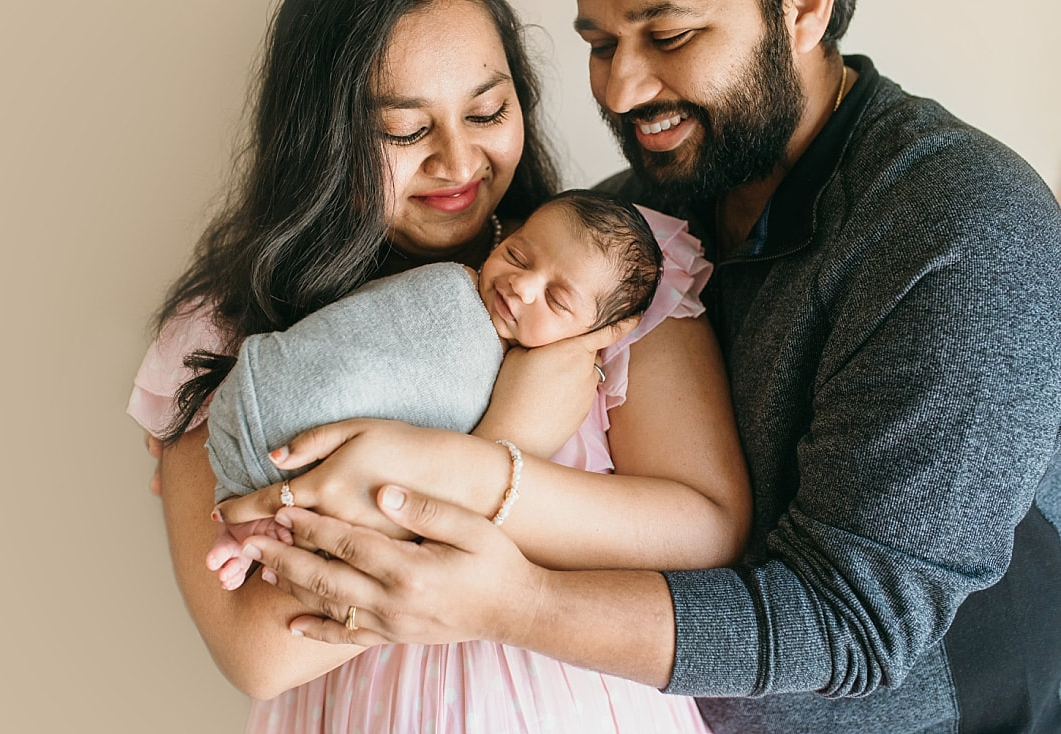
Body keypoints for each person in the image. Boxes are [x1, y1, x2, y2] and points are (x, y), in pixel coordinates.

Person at [220, 0, 1061, 732]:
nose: (620, 92)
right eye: (598, 43)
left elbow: (854, 624)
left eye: (669, 33)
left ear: (803, 8)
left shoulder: (959, 228)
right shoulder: (630, 224)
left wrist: (512, 601)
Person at [128, 0, 748, 732]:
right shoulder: (223, 330)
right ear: (320, 135)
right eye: (405, 130)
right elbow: (260, 649)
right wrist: (500, 441)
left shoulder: (601, 270)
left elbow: (703, 529)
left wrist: (457, 486)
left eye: (487, 113)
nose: (457, 163)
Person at [206, 189, 663, 589]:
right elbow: (352, 336)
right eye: (518, 256)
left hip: (303, 478)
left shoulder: (558, 384)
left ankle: (249, 536)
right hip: (260, 399)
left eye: (557, 300)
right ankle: (246, 515)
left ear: (595, 334)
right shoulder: (449, 287)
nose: (521, 286)